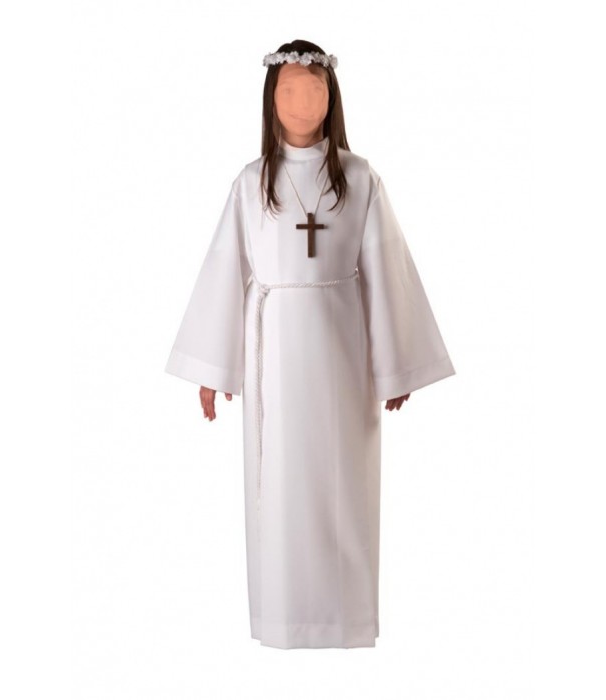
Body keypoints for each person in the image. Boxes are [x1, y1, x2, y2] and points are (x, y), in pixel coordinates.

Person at [165, 39, 455, 649]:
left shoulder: (359, 177)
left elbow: (386, 268)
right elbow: (225, 269)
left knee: (341, 480)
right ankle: (283, 616)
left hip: (341, 351)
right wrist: (213, 368)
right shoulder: (252, 182)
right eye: (289, 90)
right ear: (271, 99)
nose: (301, 101)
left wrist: (396, 367)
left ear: (332, 96)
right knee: (281, 485)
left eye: (313, 89)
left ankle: (344, 619)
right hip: (272, 352)